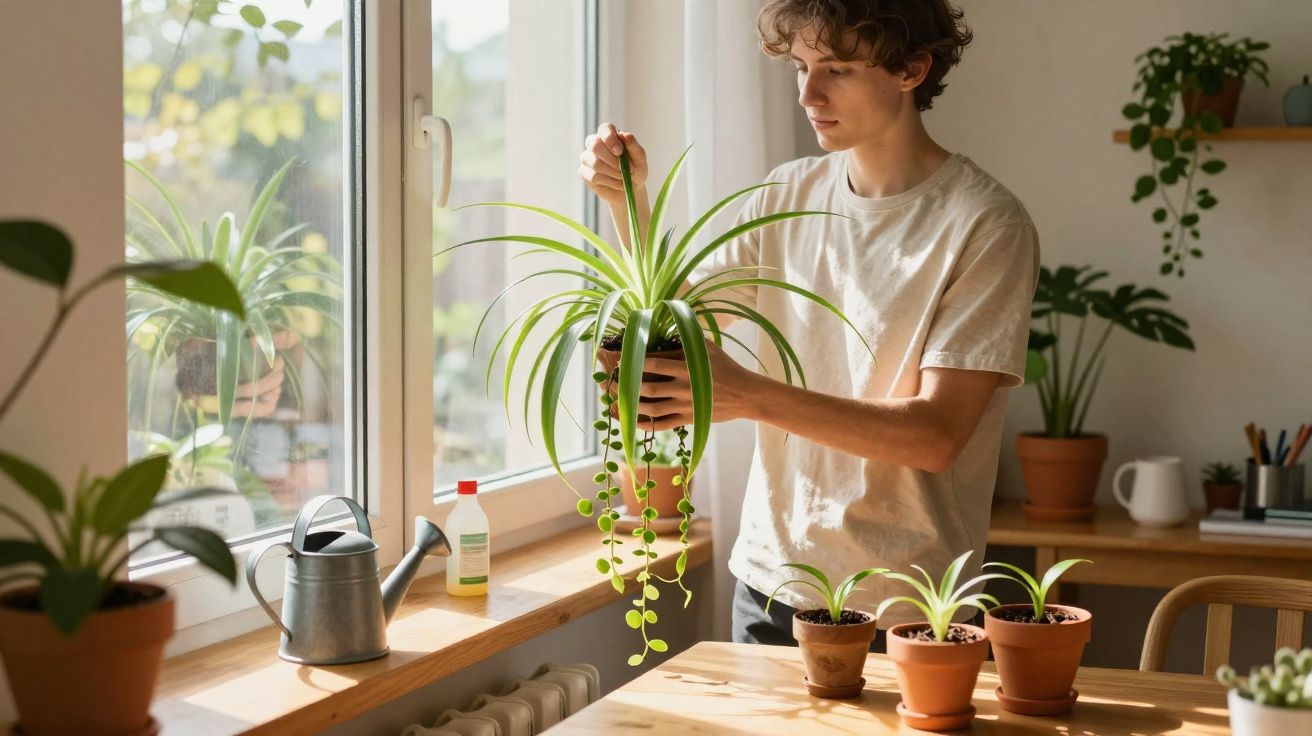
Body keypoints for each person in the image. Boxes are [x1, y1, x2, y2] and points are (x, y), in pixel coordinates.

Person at [577, 0, 1038, 649]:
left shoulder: (985, 224)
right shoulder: (784, 196)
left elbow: (935, 435)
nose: (809, 93)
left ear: (912, 68)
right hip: (771, 586)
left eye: (838, 69)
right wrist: (628, 200)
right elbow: (670, 307)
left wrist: (749, 395)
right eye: (800, 67)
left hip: (906, 607)